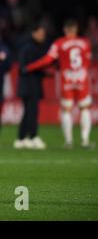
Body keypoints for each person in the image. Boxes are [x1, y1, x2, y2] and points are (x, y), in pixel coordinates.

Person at [24, 20, 93, 148]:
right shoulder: (85, 43)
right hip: (81, 78)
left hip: (66, 78)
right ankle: (85, 140)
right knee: (85, 108)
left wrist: (30, 67)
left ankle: (69, 141)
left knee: (66, 110)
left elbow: (47, 60)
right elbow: (88, 61)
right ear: (76, 29)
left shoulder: (60, 43)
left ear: (65, 29)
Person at [14, 23, 49, 149]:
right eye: (40, 34)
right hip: (30, 85)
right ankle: (33, 137)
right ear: (34, 33)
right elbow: (24, 69)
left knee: (28, 112)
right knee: (32, 112)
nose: (42, 36)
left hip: (29, 85)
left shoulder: (30, 47)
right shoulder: (30, 48)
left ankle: (21, 138)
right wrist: (44, 71)